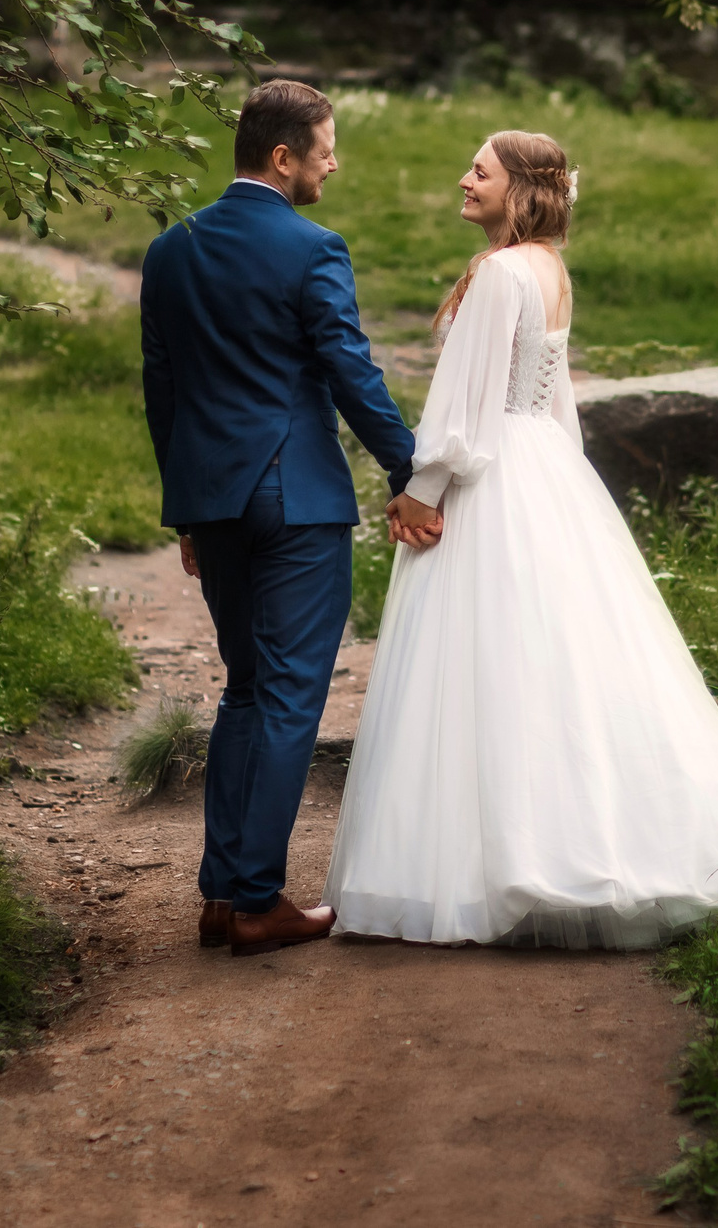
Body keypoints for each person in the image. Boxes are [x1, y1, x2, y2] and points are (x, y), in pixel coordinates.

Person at [323, 129, 718, 947]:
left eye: (481, 171)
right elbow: (553, 397)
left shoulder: (500, 273)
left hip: (491, 474)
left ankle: (488, 866)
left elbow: (464, 406)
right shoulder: (549, 270)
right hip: (542, 469)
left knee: (477, 665)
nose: (463, 179)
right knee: (549, 660)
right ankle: (576, 843)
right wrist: (567, 488)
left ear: (521, 188)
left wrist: (420, 490)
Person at [139, 80, 443, 958]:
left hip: (214, 502)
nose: (333, 161)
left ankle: (221, 895)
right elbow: (350, 370)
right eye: (326, 146)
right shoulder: (313, 248)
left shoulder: (172, 247)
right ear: (285, 156)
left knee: (245, 685)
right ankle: (259, 899)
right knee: (289, 694)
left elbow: (163, 389)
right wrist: (409, 465)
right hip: (295, 503)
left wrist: (187, 511)